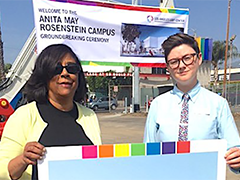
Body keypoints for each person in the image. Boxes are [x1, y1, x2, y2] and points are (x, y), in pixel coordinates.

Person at [0, 44, 102, 180]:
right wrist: (23, 159)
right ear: (44, 75)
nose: (65, 74)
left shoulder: (89, 116)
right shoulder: (24, 115)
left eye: (71, 68)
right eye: (56, 69)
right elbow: (2, 170)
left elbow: (98, 165)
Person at [144, 33, 240, 173]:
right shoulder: (158, 105)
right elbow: (148, 153)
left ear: (199, 58)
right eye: (174, 61)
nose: (181, 66)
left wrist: (236, 159)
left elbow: (234, 148)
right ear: (168, 67)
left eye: (187, 58)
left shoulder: (218, 104)